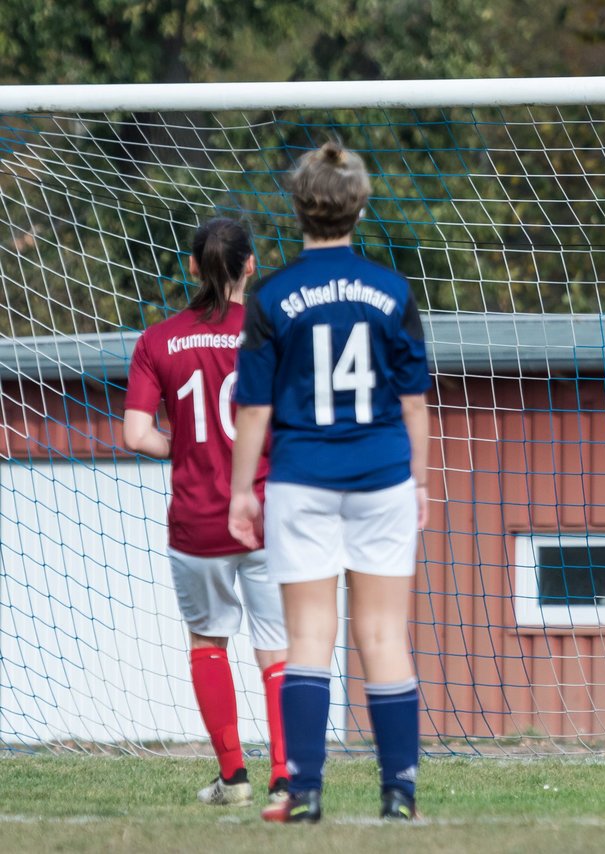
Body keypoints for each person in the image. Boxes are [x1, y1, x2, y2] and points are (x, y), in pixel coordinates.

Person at [228, 140, 431, 823]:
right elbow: (413, 403)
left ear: (298, 206)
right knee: (383, 634)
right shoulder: (392, 291)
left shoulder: (271, 296)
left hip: (301, 478)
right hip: (381, 477)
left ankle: (304, 791)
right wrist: (421, 483)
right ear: (360, 205)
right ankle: (399, 792)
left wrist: (238, 492)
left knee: (309, 635)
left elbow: (253, 408)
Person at [123, 218, 289, 806]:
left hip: (197, 524)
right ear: (251, 266)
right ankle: (285, 778)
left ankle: (233, 777)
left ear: (192, 267)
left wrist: (187, 449)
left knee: (207, 641)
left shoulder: (157, 341)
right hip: (266, 514)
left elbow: (136, 433)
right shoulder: (273, 335)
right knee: (277, 649)